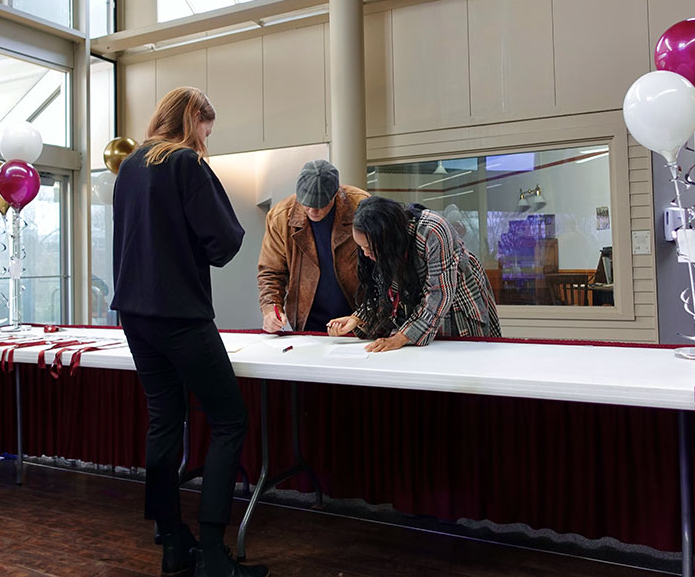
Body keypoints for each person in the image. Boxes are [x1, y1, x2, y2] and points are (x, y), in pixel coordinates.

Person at [111, 87, 269, 577]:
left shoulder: (130, 168)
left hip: (135, 315)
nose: (207, 139)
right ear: (193, 119)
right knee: (228, 421)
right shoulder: (186, 164)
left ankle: (173, 544)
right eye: (207, 128)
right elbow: (222, 243)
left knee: (163, 420)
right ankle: (215, 556)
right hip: (180, 314)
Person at [328, 196, 501, 352]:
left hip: (457, 308)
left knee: (459, 366)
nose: (366, 254)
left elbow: (439, 293)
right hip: (420, 317)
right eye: (362, 248)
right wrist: (358, 319)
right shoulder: (380, 244)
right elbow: (386, 293)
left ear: (388, 238)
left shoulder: (433, 230)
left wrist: (401, 337)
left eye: (370, 248)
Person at [258, 159, 369, 333]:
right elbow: (271, 272)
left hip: (358, 317)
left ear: (335, 194)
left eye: (321, 205)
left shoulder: (360, 206)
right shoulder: (280, 217)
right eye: (307, 205)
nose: (313, 212)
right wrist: (271, 309)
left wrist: (364, 315)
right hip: (307, 320)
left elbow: (382, 268)